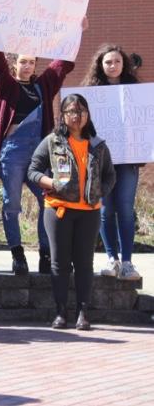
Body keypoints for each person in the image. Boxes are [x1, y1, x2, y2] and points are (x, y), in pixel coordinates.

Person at [0, 8, 85, 275]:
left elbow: (62, 63)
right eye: (22, 62)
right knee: (11, 205)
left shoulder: (45, 84)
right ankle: (17, 255)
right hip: (13, 153)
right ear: (15, 65)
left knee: (48, 201)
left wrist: (77, 31)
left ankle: (45, 253)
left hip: (40, 154)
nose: (26, 66)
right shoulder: (7, 85)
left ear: (35, 65)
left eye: (31, 62)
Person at [28, 94, 115, 330]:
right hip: (58, 211)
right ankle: (60, 313)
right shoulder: (52, 141)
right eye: (71, 111)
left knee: (84, 263)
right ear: (63, 116)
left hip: (89, 212)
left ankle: (83, 313)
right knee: (59, 263)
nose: (76, 116)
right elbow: (33, 170)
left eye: (81, 111)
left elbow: (110, 175)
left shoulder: (98, 145)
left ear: (88, 114)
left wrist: (99, 192)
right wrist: (51, 183)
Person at [81, 44, 142, 280]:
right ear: (100, 65)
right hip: (100, 161)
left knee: (125, 209)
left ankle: (127, 262)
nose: (113, 66)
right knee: (105, 210)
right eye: (108, 62)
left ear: (123, 63)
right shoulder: (90, 92)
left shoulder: (137, 90)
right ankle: (111, 259)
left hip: (128, 159)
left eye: (117, 61)